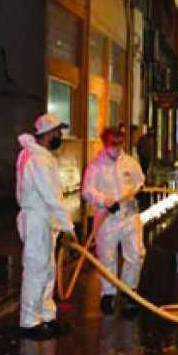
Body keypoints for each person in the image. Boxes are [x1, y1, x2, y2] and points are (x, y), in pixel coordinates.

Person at [16, 113, 77, 340]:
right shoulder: (37, 160)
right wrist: (69, 226)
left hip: (43, 220)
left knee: (48, 269)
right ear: (48, 133)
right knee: (36, 270)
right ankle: (29, 322)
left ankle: (46, 316)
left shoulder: (38, 157)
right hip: (37, 220)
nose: (60, 136)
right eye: (58, 132)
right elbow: (51, 197)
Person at [82, 127, 146, 318]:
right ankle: (108, 294)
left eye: (120, 142)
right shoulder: (95, 166)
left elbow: (140, 181)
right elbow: (87, 190)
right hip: (106, 220)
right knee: (107, 258)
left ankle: (129, 292)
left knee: (136, 253)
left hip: (129, 216)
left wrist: (138, 190)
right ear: (105, 142)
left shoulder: (130, 163)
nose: (117, 147)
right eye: (113, 143)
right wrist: (105, 201)